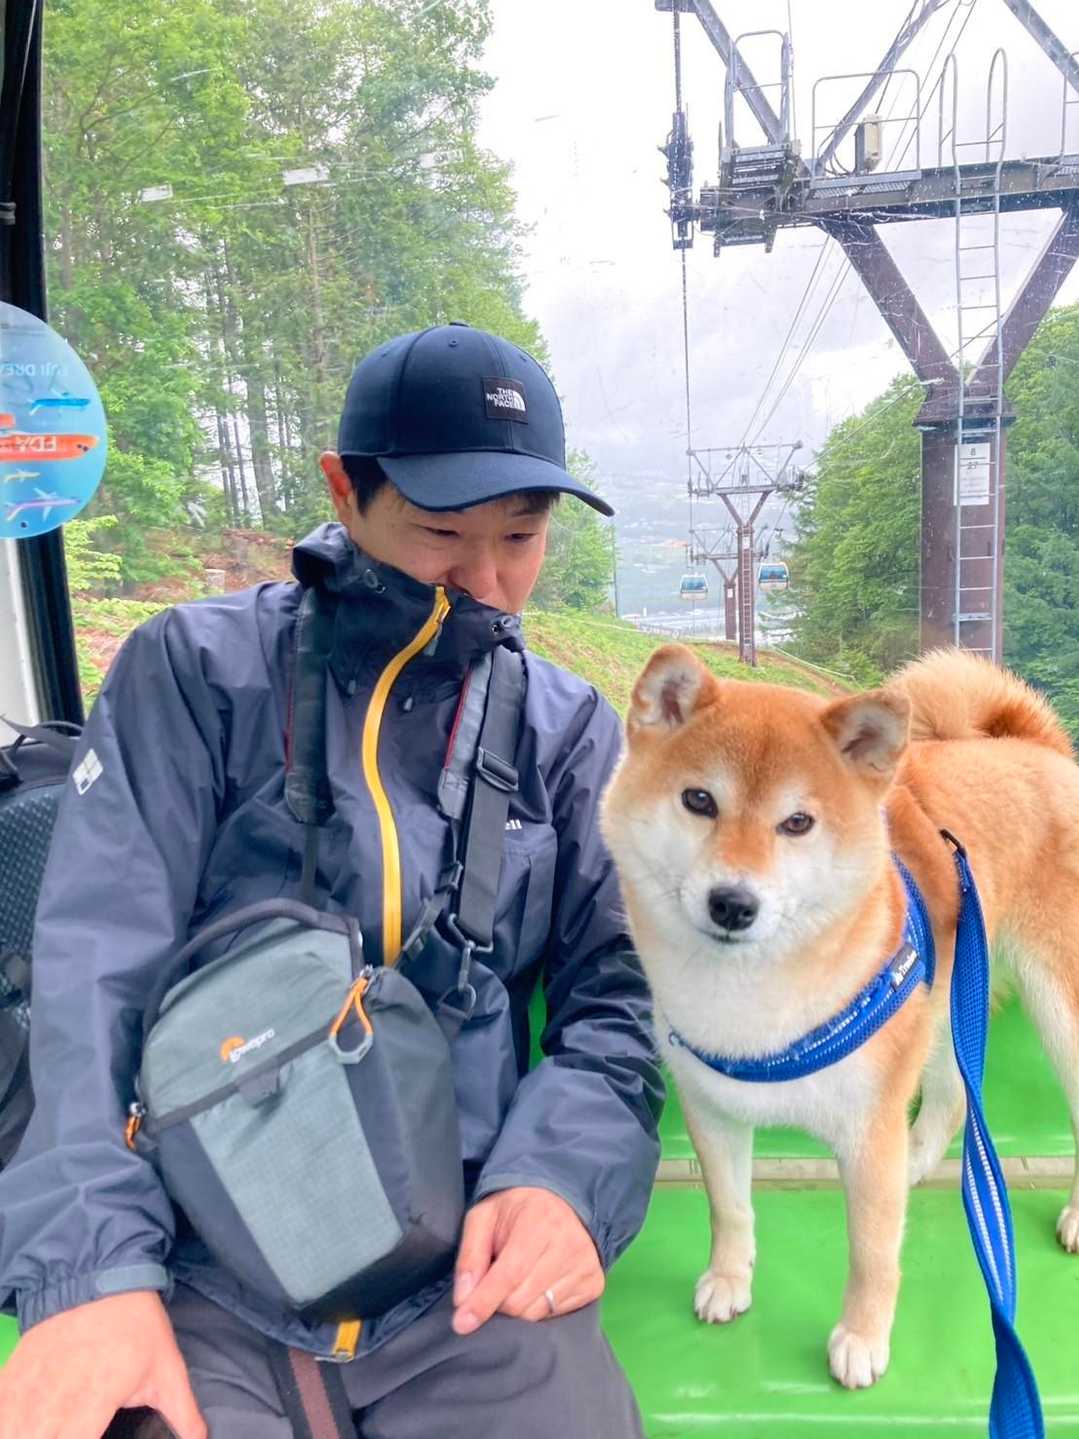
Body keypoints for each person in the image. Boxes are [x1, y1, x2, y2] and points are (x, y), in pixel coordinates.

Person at [0, 323, 663, 1438]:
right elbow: (88, 976)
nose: (488, 580)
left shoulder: (568, 731)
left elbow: (623, 996)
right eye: (443, 531)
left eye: (521, 535)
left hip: (468, 1264)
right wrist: (93, 1274)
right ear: (344, 491)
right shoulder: (191, 671)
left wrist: (558, 1180)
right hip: (198, 1261)